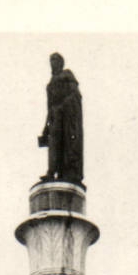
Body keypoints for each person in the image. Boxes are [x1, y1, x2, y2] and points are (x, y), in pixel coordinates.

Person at [38, 53, 83, 184]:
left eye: (55, 60)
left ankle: (68, 172)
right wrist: (46, 127)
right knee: (54, 145)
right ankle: (51, 171)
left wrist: (62, 107)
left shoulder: (67, 75)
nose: (52, 63)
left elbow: (75, 95)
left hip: (67, 118)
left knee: (67, 145)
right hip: (54, 118)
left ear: (61, 63)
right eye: (51, 60)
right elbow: (49, 106)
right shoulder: (50, 84)